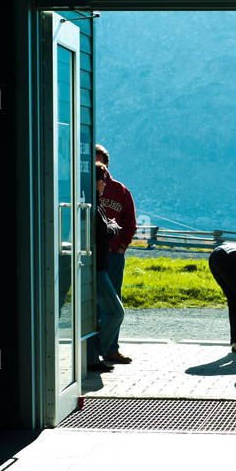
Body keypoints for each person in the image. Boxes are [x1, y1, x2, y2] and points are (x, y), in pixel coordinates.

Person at [94, 144, 135, 365]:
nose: (97, 167)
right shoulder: (84, 189)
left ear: (107, 165)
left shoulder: (121, 190)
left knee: (114, 301)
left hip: (114, 256)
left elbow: (131, 223)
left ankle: (111, 349)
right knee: (95, 304)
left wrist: (121, 248)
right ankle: (93, 351)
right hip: (93, 256)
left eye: (100, 163)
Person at [86, 163, 126, 373]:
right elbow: (103, 232)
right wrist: (113, 227)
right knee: (115, 311)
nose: (105, 185)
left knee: (93, 314)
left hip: (97, 266)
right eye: (103, 180)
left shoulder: (94, 202)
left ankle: (91, 356)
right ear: (96, 181)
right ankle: (98, 350)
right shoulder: (93, 204)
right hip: (97, 269)